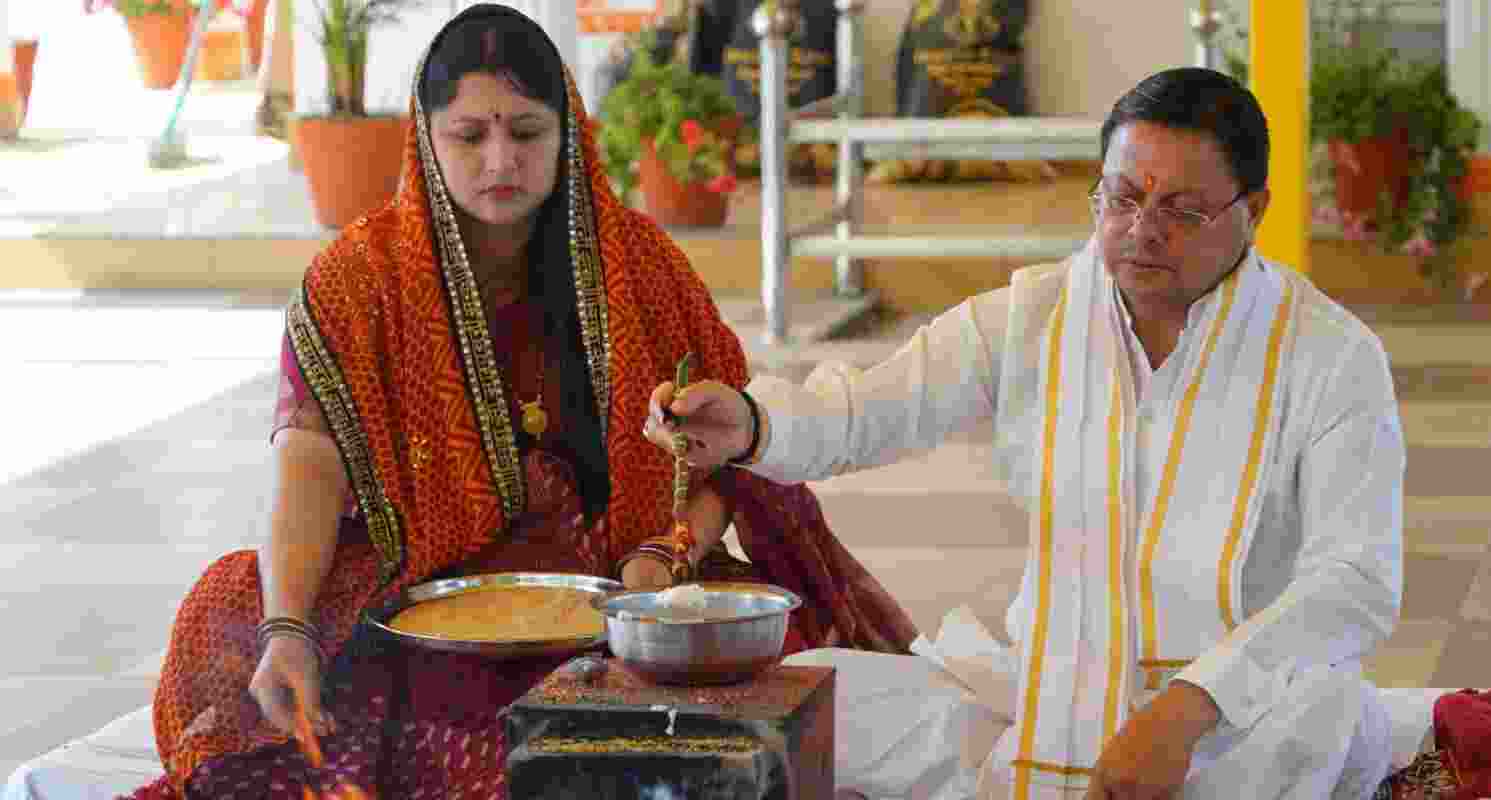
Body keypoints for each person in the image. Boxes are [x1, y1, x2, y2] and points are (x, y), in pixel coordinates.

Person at [123, 6, 916, 799]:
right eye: (470, 135)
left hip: (626, 590)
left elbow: (722, 466)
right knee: (230, 613)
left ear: (568, 131)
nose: (500, 159)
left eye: (528, 132)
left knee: (749, 696)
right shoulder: (357, 282)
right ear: (424, 137)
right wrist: (289, 628)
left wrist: (665, 557)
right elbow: (308, 459)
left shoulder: (645, 269)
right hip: (419, 590)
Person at [646, 67, 1406, 800]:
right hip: (1052, 689)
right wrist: (749, 424)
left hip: (1244, 716)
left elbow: (1355, 582)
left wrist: (1191, 706)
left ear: (1256, 208)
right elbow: (868, 413)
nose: (1141, 231)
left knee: (1305, 731)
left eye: (1182, 210)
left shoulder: (1329, 355)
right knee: (821, 698)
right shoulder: (1036, 315)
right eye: (1122, 198)